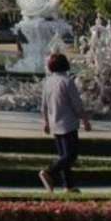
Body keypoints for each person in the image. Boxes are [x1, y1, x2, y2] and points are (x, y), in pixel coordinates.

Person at [39, 52, 91, 193]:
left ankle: (68, 185)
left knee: (64, 156)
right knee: (71, 155)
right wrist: (85, 120)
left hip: (55, 122)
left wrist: (46, 122)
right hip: (68, 123)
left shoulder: (48, 82)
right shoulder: (67, 81)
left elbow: (44, 104)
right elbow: (77, 104)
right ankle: (49, 172)